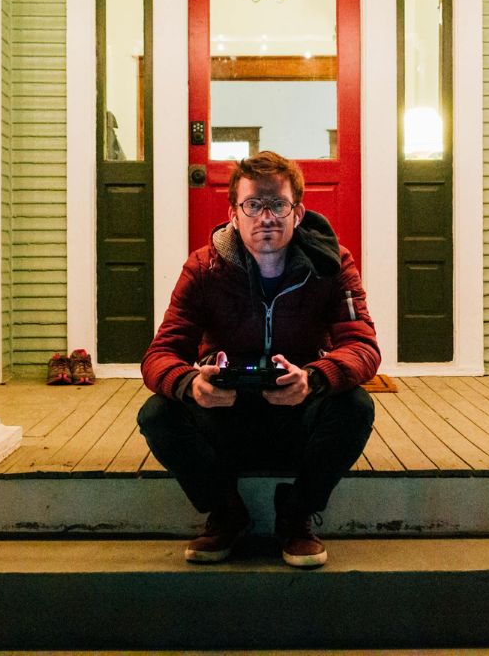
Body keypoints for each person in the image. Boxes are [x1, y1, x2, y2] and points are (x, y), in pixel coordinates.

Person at [138, 151, 379, 568]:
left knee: (356, 406)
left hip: (297, 409)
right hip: (225, 413)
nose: (266, 216)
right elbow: (160, 355)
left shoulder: (332, 265)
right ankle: (226, 512)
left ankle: (296, 514)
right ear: (234, 213)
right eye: (253, 205)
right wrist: (191, 385)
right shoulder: (204, 268)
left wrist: (313, 379)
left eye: (278, 205)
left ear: (298, 212)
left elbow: (363, 346)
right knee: (158, 413)